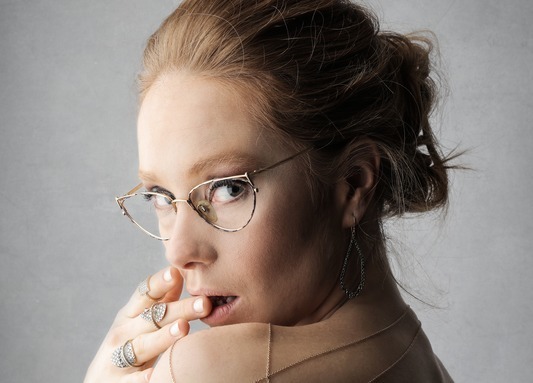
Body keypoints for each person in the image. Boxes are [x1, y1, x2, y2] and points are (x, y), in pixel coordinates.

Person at [85, 0, 455, 381]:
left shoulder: (209, 370)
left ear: (353, 182)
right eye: (160, 197)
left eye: (227, 188)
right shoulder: (415, 356)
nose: (178, 252)